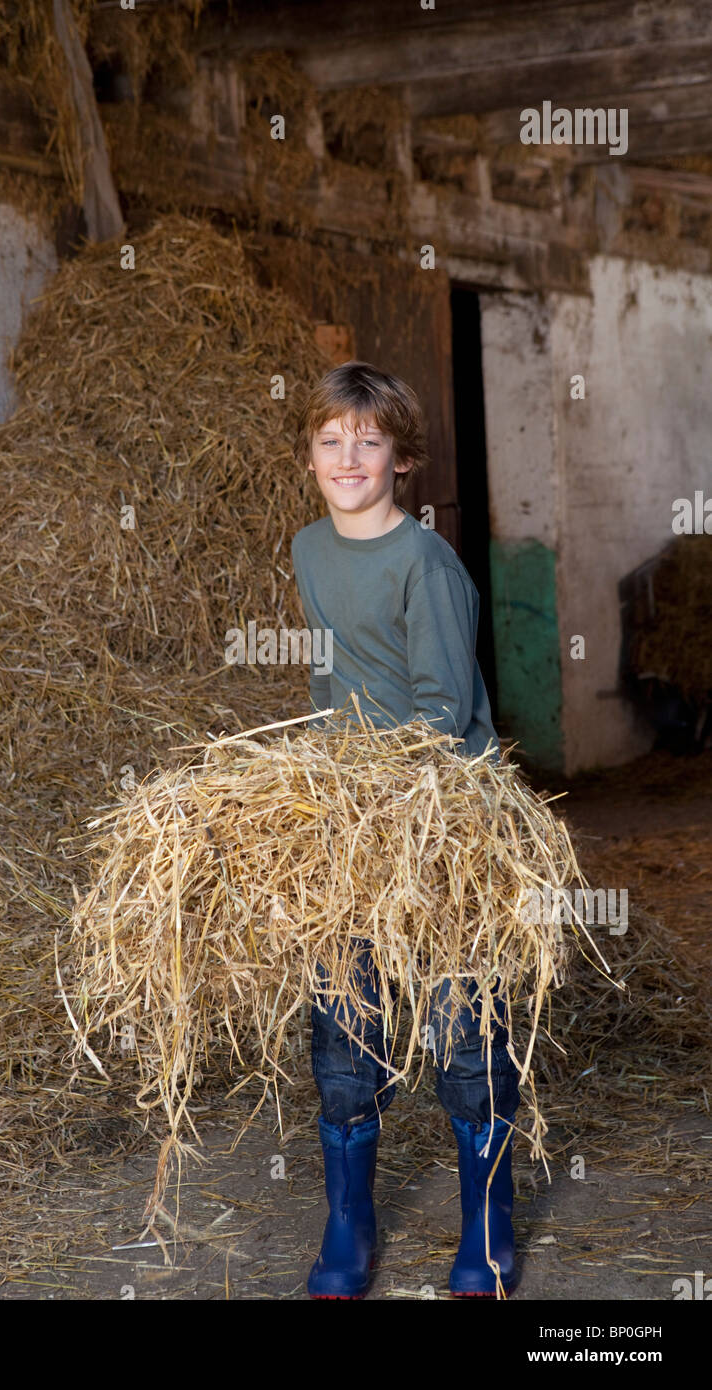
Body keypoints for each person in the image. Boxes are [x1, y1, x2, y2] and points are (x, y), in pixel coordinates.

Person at [290, 360, 520, 1299]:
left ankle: (488, 1221)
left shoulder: (427, 563)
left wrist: (388, 802)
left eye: (369, 441)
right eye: (331, 441)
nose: (349, 458)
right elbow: (326, 681)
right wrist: (311, 786)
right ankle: (350, 1227)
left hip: (444, 818)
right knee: (345, 1027)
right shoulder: (307, 548)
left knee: (465, 1030)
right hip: (348, 820)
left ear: (403, 458)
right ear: (309, 454)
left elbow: (442, 707)